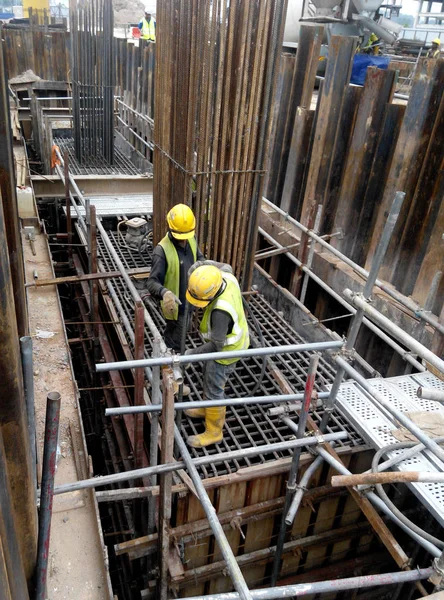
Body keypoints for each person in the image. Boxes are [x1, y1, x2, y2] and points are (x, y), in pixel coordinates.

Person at [183, 265, 250, 448]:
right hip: (236, 341)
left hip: (225, 353)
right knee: (210, 381)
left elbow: (216, 345)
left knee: (214, 388)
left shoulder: (221, 312)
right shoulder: (226, 277)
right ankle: (207, 409)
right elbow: (225, 266)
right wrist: (198, 267)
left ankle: (214, 432)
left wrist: (191, 354)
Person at [146, 204, 204, 367]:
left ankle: (175, 360)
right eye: (181, 235)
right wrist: (165, 293)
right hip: (176, 308)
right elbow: (151, 282)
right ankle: (172, 373)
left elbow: (199, 257)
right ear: (171, 229)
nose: (184, 239)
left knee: (182, 335)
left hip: (191, 302)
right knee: (174, 341)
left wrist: (203, 264)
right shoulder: (162, 251)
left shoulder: (191, 239)